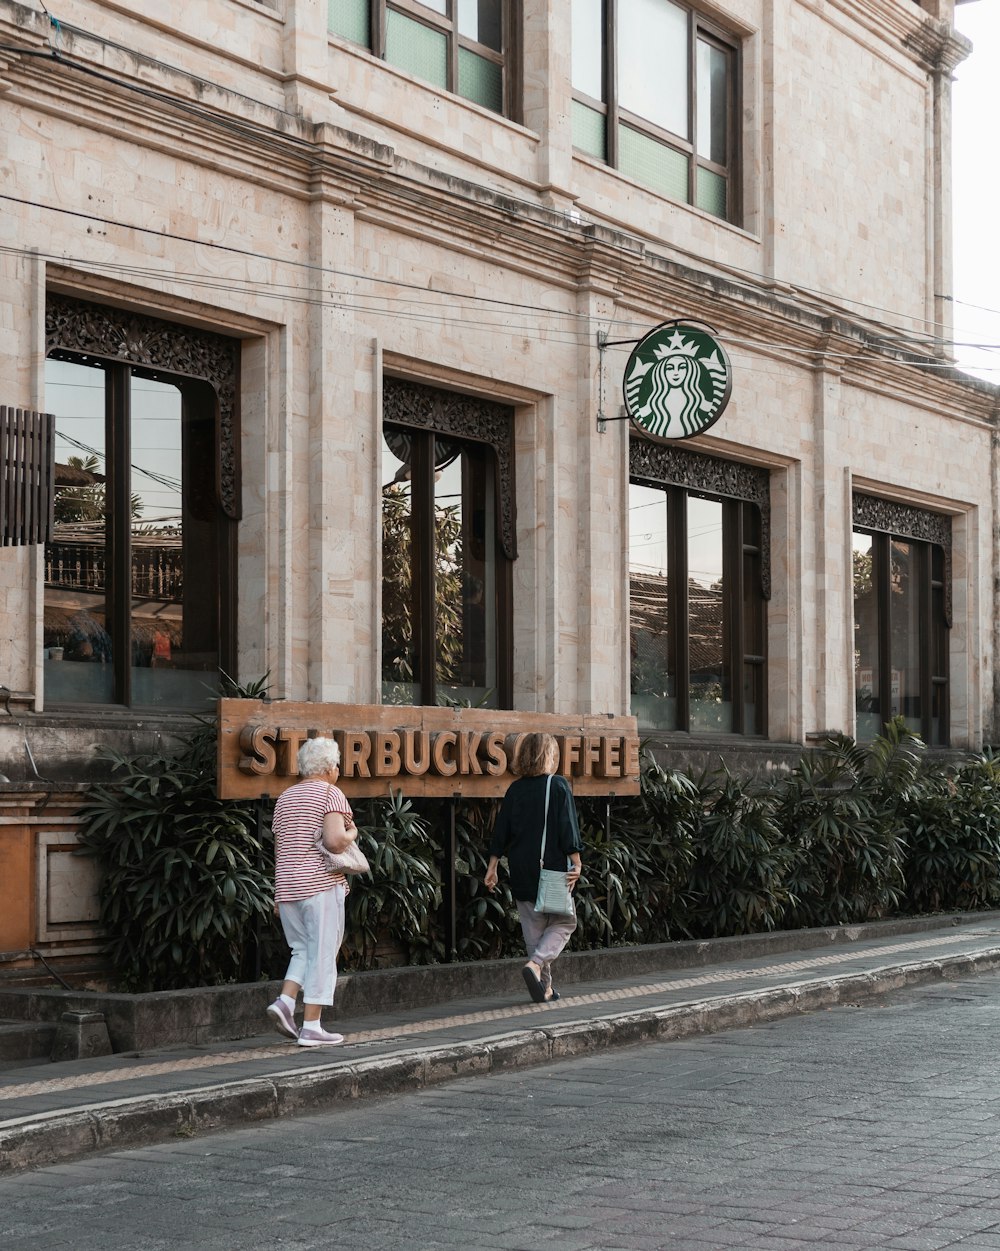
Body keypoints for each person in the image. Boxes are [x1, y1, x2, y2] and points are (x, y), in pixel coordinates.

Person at [267, 736, 355, 1047]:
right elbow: (334, 842)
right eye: (338, 765)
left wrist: (278, 894)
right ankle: (312, 1025)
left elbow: (280, 849)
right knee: (322, 953)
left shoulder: (285, 797)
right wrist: (352, 831)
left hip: (289, 887)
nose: (339, 770)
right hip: (320, 886)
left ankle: (285, 1002)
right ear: (330, 767)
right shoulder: (331, 794)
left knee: (302, 950)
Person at [484, 732, 583, 1004]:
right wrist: (576, 860)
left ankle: (545, 988)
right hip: (550, 869)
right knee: (564, 922)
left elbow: (501, 831)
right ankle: (536, 964)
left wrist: (492, 867)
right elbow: (567, 826)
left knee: (534, 929)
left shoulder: (515, 789)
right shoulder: (558, 785)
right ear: (549, 756)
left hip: (520, 869)